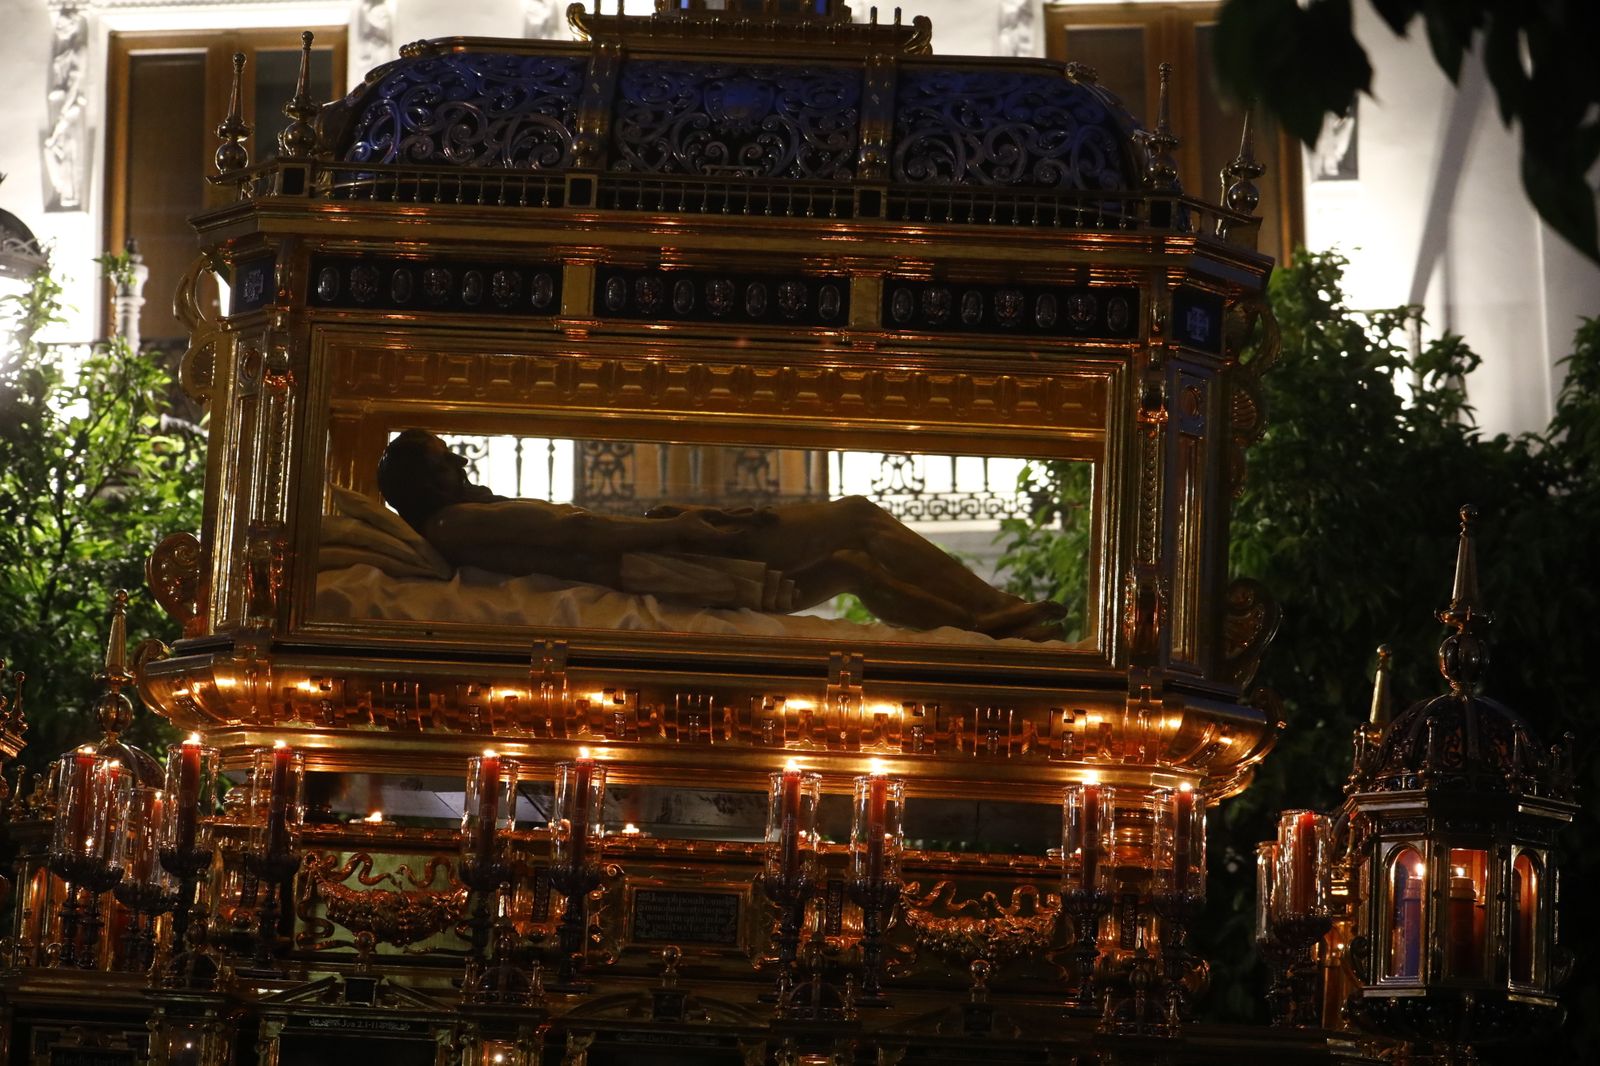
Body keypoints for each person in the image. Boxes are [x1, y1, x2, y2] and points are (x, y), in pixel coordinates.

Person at [377, 429, 1066, 640]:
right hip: (663, 563)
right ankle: (987, 616)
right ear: (428, 482)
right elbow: (576, 527)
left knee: (854, 560)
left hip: (657, 552)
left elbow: (576, 531)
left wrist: (675, 521)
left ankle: (987, 623)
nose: (463, 465)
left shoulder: (458, 519)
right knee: (854, 521)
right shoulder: (459, 521)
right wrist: (684, 529)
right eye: (448, 461)